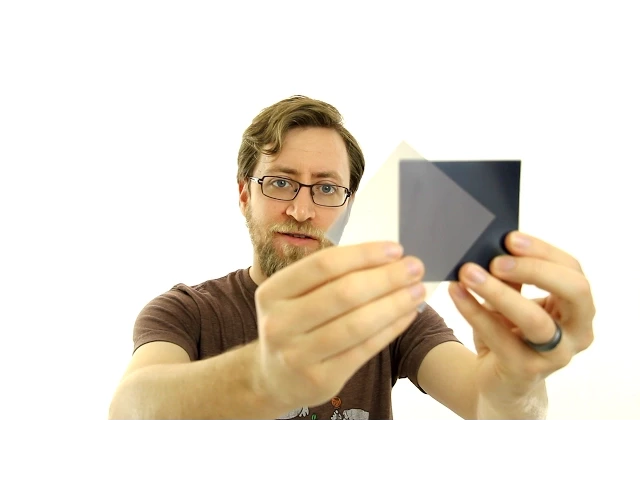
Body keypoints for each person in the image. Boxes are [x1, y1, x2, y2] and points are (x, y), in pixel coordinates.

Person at [108, 95, 596, 420]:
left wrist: (517, 384)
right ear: (243, 194)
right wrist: (262, 378)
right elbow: (129, 408)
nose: (301, 210)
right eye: (280, 182)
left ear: (348, 205)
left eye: (326, 188)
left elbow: (488, 404)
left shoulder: (391, 314)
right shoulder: (187, 311)